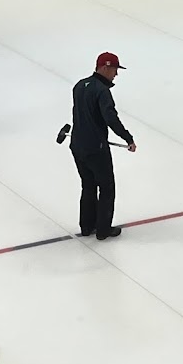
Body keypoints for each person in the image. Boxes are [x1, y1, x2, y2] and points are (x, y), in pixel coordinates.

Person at [69, 53, 136, 241]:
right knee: (107, 188)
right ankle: (103, 229)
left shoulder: (79, 86)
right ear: (105, 68)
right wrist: (127, 138)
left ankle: (86, 226)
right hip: (96, 148)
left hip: (77, 145)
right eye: (115, 69)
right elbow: (110, 118)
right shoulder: (101, 90)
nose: (116, 74)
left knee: (88, 186)